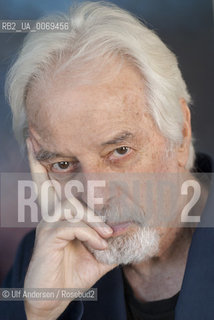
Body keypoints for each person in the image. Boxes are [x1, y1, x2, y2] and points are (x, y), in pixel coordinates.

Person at [1, 2, 214, 319]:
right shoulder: (39, 264)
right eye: (62, 164)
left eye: (119, 152)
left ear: (181, 132)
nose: (95, 196)